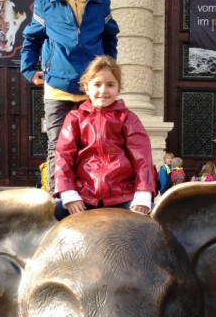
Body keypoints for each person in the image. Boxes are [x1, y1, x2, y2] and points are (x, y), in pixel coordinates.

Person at [20, 0, 120, 192]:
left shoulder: (101, 0)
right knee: (59, 144)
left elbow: (110, 37)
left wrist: (109, 72)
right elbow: (32, 37)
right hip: (58, 87)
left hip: (92, 90)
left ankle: (92, 194)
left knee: (95, 143)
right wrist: (29, 69)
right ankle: (59, 196)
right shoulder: (45, 0)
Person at [53, 56, 155, 220]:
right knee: (46, 217)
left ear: (118, 89)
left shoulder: (128, 119)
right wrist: (68, 193)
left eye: (110, 85)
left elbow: (142, 158)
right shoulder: (75, 118)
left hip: (122, 196)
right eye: (97, 84)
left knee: (157, 220)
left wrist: (143, 193)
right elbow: (63, 156)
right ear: (87, 88)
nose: (103, 90)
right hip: (83, 196)